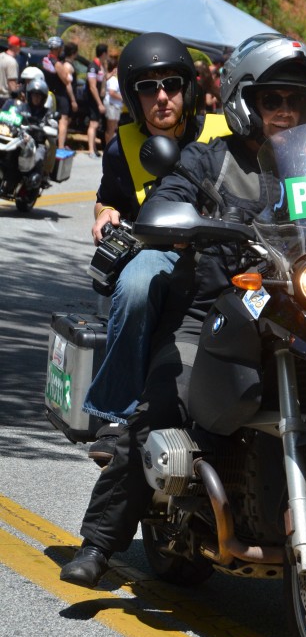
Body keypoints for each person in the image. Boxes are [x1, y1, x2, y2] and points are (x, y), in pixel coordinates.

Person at [59, 32, 306, 589]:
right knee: (159, 406)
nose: (284, 112)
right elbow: (166, 195)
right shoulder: (211, 157)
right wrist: (167, 212)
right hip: (210, 313)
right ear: (247, 101)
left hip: (295, 314)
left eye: (294, 101)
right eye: (273, 100)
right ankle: (100, 543)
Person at [82, 32, 203, 466]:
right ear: (134, 97)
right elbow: (107, 196)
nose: (162, 97)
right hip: (160, 251)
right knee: (133, 286)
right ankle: (114, 414)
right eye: (148, 88)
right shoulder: (122, 146)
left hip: (228, 254)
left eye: (171, 84)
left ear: (187, 88)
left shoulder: (223, 132)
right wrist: (103, 212)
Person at [21, 78, 59, 189]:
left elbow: (53, 123)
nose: (36, 98)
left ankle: (40, 177)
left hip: (37, 143)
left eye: (39, 96)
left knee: (38, 157)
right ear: (29, 95)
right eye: (34, 95)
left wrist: (49, 125)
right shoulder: (23, 107)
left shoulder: (46, 112)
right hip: (21, 139)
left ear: (43, 98)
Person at [42, 36, 77, 150]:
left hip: (47, 92)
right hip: (59, 95)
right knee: (63, 120)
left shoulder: (45, 59)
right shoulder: (56, 62)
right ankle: (60, 146)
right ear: (57, 48)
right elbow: (66, 80)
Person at [84, 43, 108, 158]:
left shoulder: (100, 65)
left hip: (98, 99)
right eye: (107, 54)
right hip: (93, 100)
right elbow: (92, 87)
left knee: (96, 124)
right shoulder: (93, 66)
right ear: (104, 53)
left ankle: (94, 148)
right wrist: (99, 103)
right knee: (93, 124)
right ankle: (91, 150)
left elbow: (103, 80)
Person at [62, 41, 79, 144]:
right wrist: (73, 100)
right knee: (65, 120)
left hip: (68, 97)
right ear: (74, 53)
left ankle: (63, 141)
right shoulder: (68, 66)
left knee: (68, 120)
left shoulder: (68, 64)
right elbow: (68, 84)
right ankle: (61, 144)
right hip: (67, 97)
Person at [103, 56, 123, 144]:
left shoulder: (114, 79)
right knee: (110, 129)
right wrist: (123, 98)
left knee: (114, 128)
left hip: (116, 106)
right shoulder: (113, 80)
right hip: (112, 105)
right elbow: (112, 92)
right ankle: (107, 148)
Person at [0, 35, 21, 107]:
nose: (20, 49)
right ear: (16, 46)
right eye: (19, 46)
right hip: (5, 99)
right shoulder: (12, 62)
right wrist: (18, 93)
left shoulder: (1, 56)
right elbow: (11, 83)